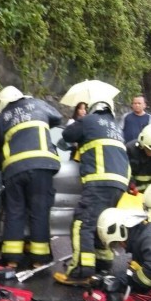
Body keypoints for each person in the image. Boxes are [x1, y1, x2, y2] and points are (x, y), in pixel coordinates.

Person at [54, 94, 130, 285]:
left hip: (99, 180)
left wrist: (80, 123)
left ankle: (81, 271)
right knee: (101, 223)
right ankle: (103, 263)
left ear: (93, 108)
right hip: (120, 183)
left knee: (82, 223)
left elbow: (67, 135)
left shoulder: (89, 120)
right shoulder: (116, 128)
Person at [0, 86, 62, 269]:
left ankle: (12, 260)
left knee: (15, 212)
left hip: (14, 169)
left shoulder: (1, 119)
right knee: (39, 211)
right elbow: (58, 118)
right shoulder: (38, 105)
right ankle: (39, 259)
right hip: (41, 166)